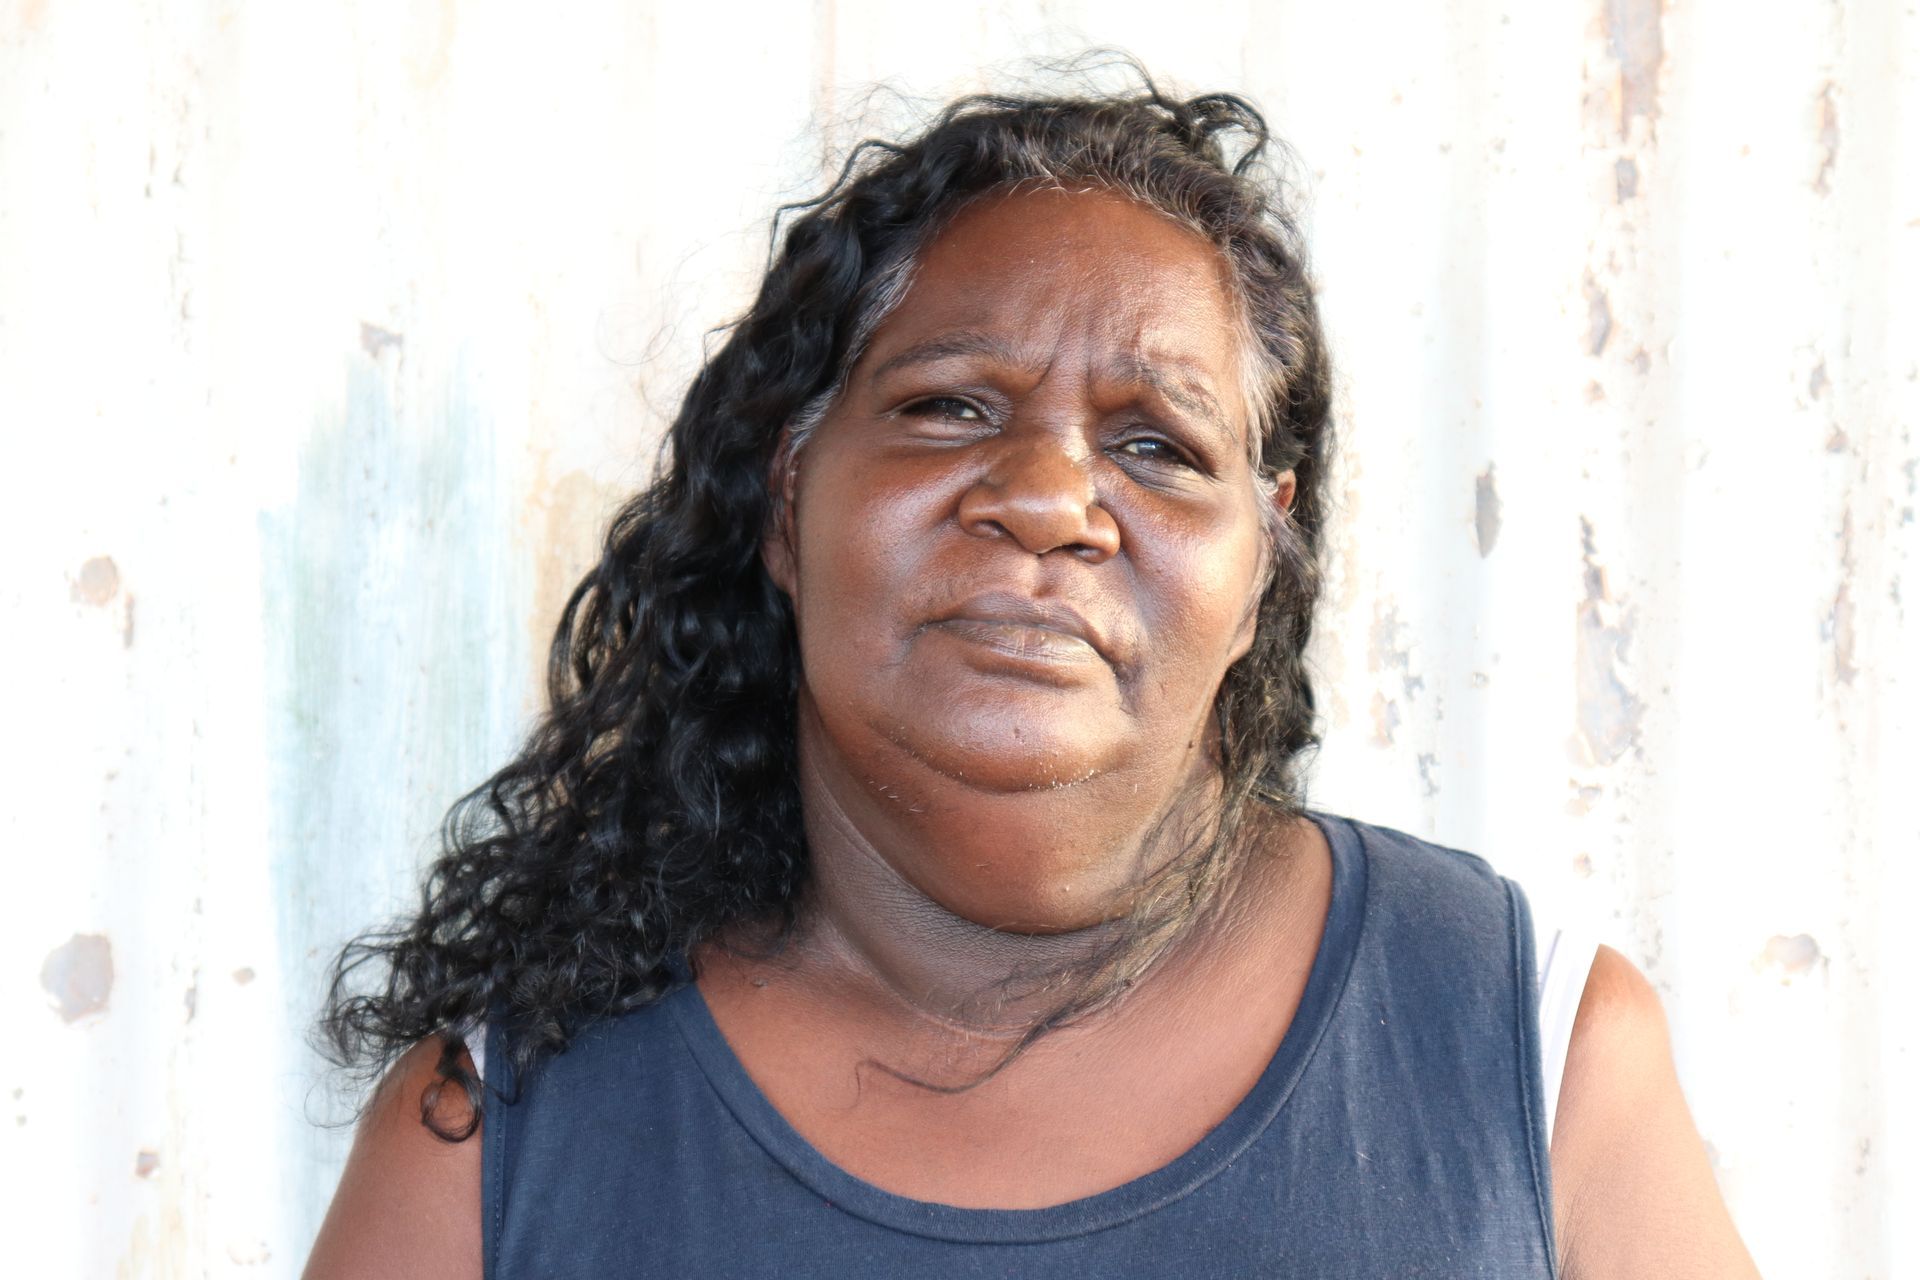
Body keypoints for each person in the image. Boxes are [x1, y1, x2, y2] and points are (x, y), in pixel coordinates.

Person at [304, 75, 1760, 1278]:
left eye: (1155, 446)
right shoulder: (497, 1135)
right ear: (788, 506)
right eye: (949, 408)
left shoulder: (1536, 1055)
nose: (1049, 495)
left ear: (1265, 558)